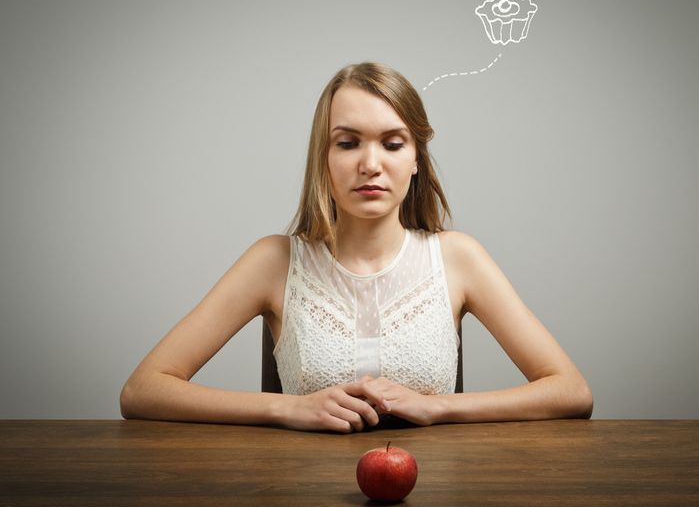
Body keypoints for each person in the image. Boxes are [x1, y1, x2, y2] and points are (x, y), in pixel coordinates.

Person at [120, 61, 593, 433]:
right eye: (347, 143)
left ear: (415, 161)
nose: (370, 164)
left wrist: (440, 408)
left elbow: (571, 391)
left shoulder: (458, 257)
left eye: (392, 143)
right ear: (323, 159)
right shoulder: (273, 261)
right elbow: (143, 391)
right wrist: (289, 410)